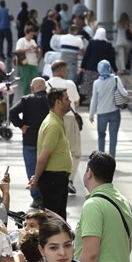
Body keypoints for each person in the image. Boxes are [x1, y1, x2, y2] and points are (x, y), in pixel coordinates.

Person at [26, 88, 72, 220]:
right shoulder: (53, 125)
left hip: (57, 179)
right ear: (58, 102)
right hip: (53, 180)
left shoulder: (57, 121)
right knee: (54, 221)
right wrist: (35, 180)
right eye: (66, 99)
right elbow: (43, 158)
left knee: (58, 219)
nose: (69, 102)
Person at [10, 77, 49, 207]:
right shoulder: (51, 100)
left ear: (32, 88)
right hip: (47, 141)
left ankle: (37, 197)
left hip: (30, 140)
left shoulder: (27, 100)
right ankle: (46, 195)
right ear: (45, 88)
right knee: (47, 168)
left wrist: (21, 125)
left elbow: (12, 112)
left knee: (31, 169)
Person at [47, 60, 82, 196]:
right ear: (62, 71)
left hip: (51, 119)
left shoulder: (46, 84)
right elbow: (76, 101)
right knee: (74, 151)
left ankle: (56, 178)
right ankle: (69, 180)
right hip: (68, 119)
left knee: (53, 150)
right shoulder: (69, 84)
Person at [90, 60, 128, 157]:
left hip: (101, 113)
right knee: (113, 137)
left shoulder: (96, 83)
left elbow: (94, 99)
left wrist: (91, 115)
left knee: (101, 135)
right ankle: (112, 159)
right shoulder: (115, 79)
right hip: (114, 112)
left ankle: (101, 158)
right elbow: (124, 93)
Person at [80, 28, 116, 101]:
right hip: (102, 70)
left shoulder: (92, 43)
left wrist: (82, 65)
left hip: (90, 68)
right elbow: (111, 58)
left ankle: (92, 102)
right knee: (100, 87)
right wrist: (115, 69)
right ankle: (99, 101)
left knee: (90, 87)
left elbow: (87, 55)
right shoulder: (108, 45)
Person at [15, 25, 41, 95]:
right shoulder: (21, 41)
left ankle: (35, 95)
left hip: (34, 63)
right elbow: (17, 51)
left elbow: (38, 50)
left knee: (35, 80)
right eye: (30, 35)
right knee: (26, 81)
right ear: (26, 33)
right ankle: (25, 96)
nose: (32, 36)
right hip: (25, 63)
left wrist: (36, 50)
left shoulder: (33, 41)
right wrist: (27, 49)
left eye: (33, 35)